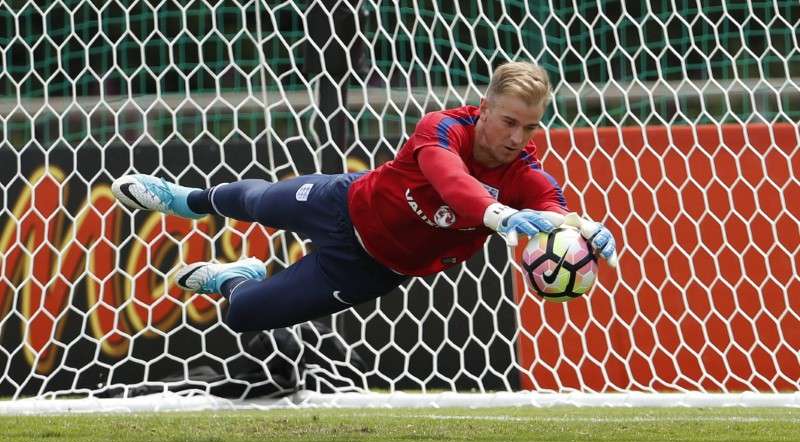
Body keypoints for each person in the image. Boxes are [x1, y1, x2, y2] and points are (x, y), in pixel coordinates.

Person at [111, 61, 617, 333]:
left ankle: (236, 279)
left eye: (529, 127)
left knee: (244, 317)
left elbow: (553, 209)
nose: (516, 138)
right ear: (483, 108)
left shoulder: (525, 173)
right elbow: (451, 183)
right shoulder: (441, 129)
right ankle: (188, 201)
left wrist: (582, 228)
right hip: (342, 202)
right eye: (508, 122)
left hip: (368, 269)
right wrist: (497, 216)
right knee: (259, 204)